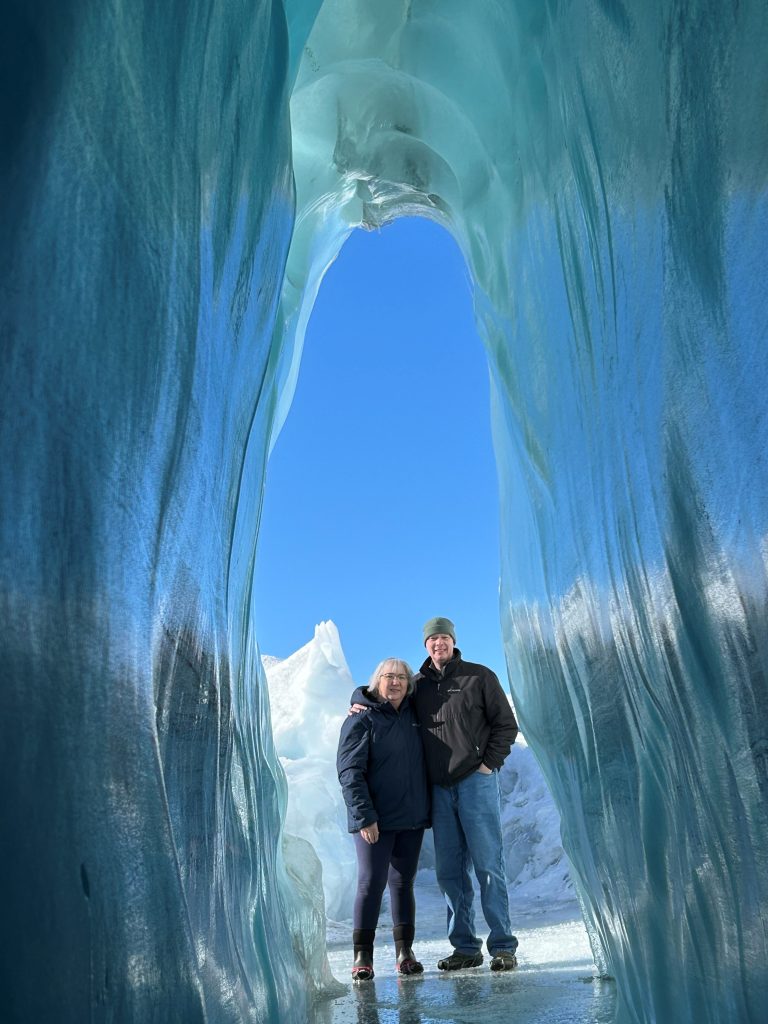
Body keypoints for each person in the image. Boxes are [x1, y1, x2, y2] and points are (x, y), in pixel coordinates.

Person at [414, 617, 519, 972]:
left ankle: (503, 946)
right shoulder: (417, 686)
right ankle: (465, 948)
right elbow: (386, 699)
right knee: (450, 872)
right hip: (440, 790)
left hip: (475, 781)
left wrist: (488, 764)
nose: (438, 644)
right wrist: (358, 700)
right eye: (433, 639)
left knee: (488, 865)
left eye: (444, 637)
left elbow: (506, 724)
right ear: (425, 645)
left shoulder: (478, 676)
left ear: (453, 641)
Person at [337, 658, 430, 982]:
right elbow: (350, 771)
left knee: (403, 884)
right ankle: (363, 956)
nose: (395, 682)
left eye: (401, 677)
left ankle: (405, 953)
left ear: (409, 683)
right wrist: (365, 817)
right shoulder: (361, 718)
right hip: (374, 819)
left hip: (410, 818)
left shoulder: (414, 714)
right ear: (376, 681)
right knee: (371, 884)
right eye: (388, 676)